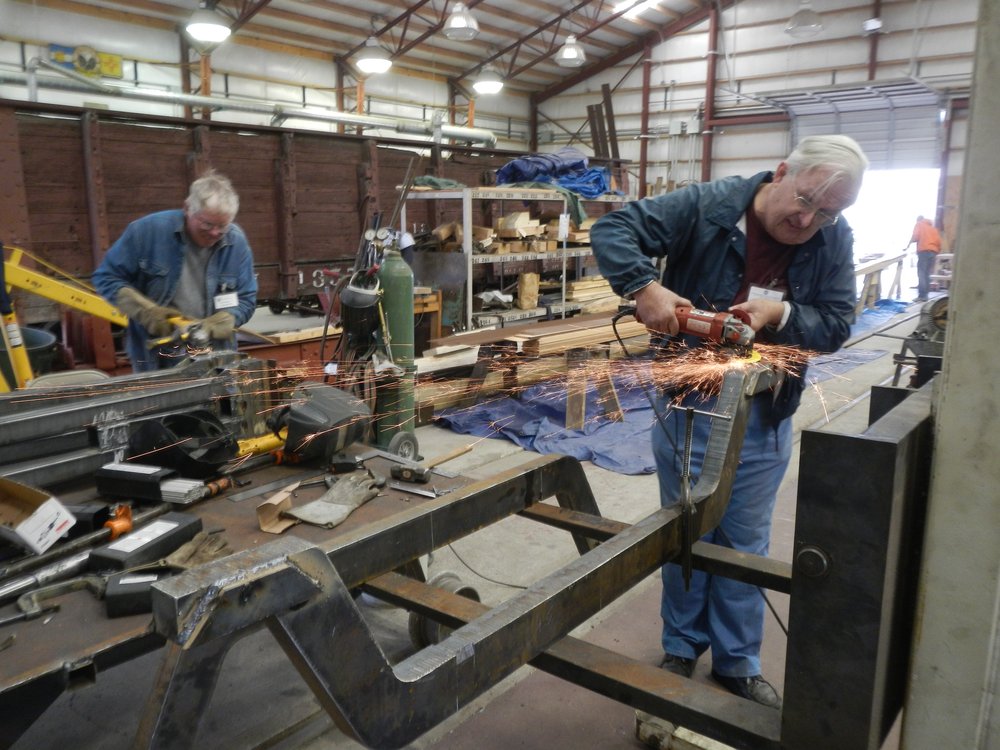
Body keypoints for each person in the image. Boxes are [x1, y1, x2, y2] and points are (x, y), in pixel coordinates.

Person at [590, 134, 868, 709]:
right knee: (687, 533)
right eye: (806, 199)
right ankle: (682, 646)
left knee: (743, 542)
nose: (808, 218)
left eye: (827, 212)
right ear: (783, 171)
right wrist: (644, 287)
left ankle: (738, 662)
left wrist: (781, 313)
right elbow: (613, 229)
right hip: (688, 408)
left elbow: (837, 323)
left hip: (764, 414)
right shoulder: (709, 206)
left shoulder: (832, 238)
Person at [94, 171, 257, 372]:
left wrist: (225, 319)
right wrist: (147, 312)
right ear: (187, 208)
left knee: (220, 403)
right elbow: (106, 278)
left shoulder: (236, 242)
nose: (215, 233)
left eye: (222, 226)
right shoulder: (146, 232)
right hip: (157, 359)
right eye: (207, 224)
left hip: (216, 358)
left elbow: (247, 298)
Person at [906, 215, 942, 302]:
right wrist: (936, 251)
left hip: (924, 251)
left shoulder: (919, 224)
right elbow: (939, 242)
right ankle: (925, 295)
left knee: (921, 273)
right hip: (933, 252)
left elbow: (915, 236)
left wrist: (908, 245)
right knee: (927, 274)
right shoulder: (933, 229)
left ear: (919, 220)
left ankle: (921, 296)